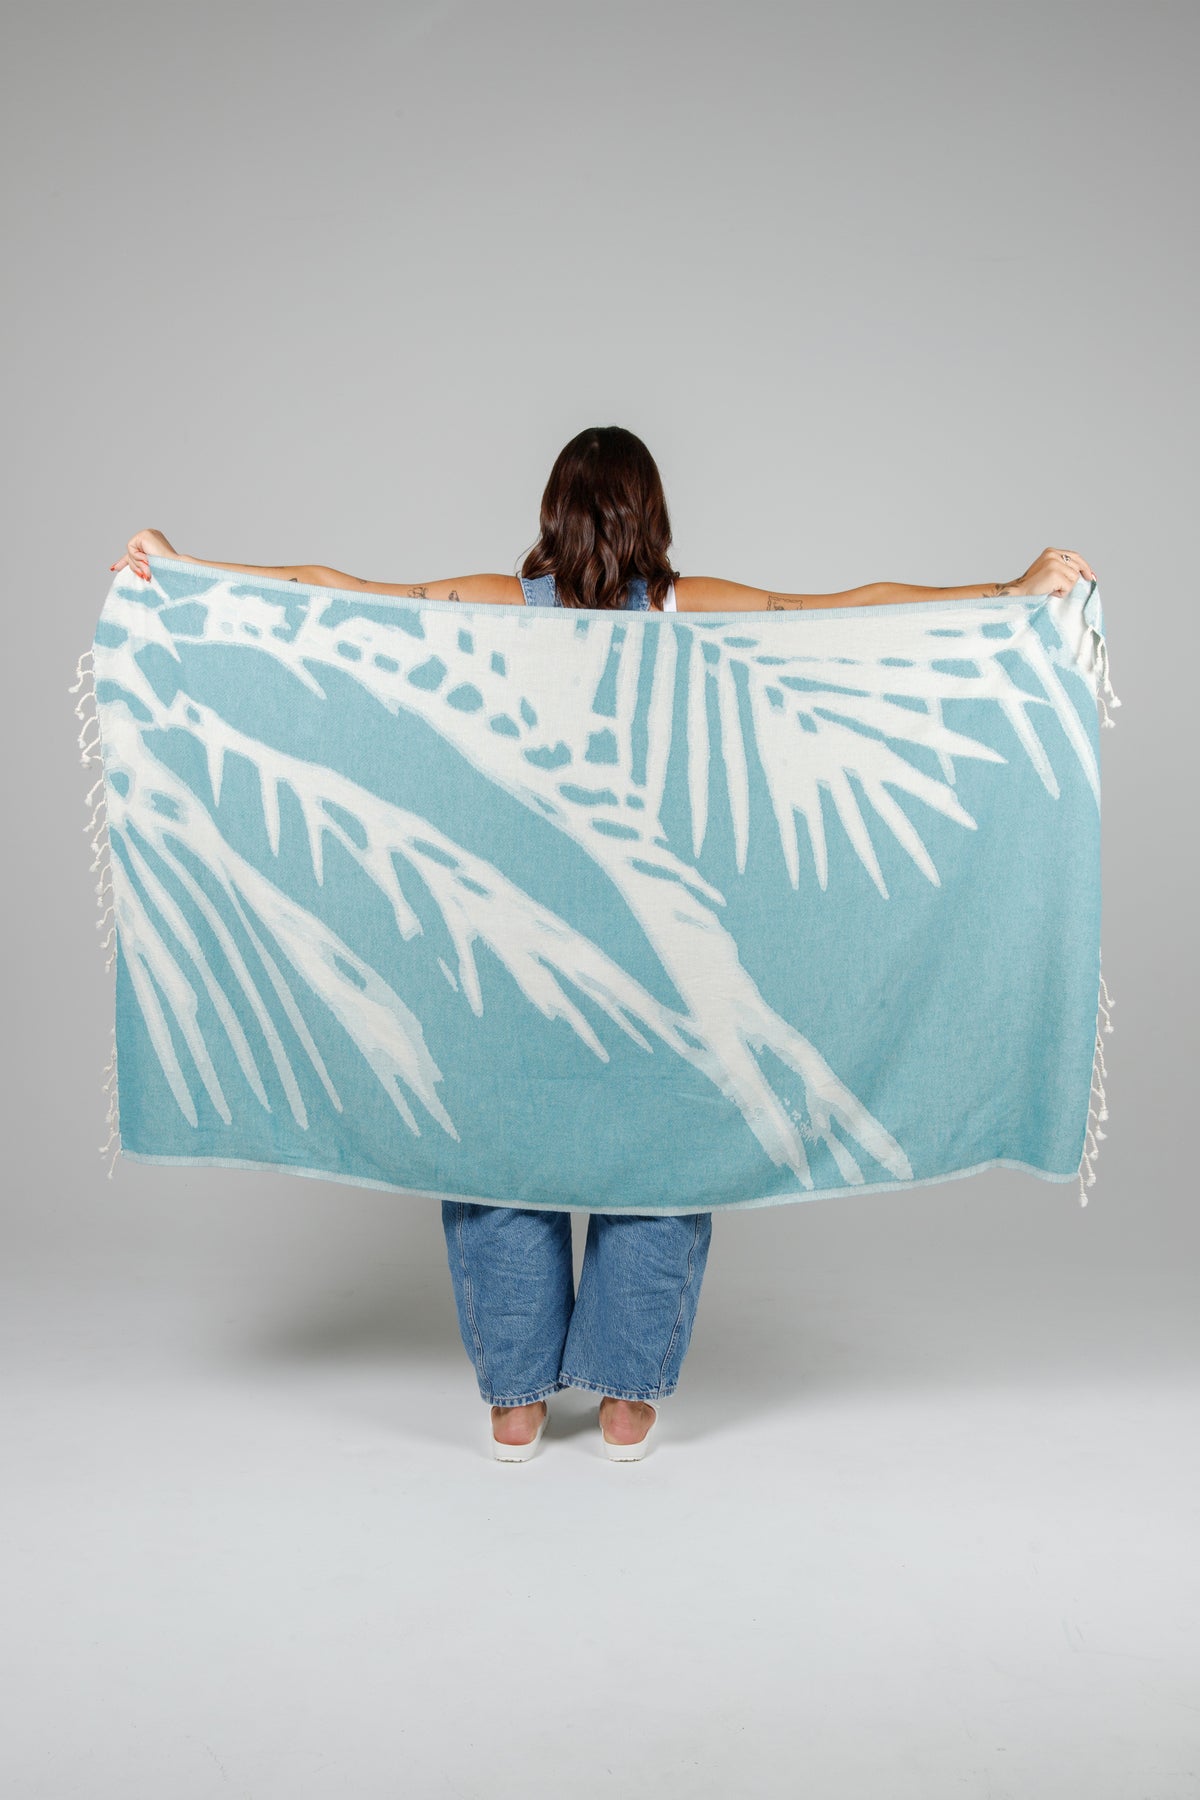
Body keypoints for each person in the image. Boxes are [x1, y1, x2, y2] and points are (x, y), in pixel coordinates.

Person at [113, 426, 1097, 1462]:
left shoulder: (492, 607)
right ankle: (625, 1407)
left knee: (495, 1151)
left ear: (554, 514)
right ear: (651, 517)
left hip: (515, 963)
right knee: (665, 1156)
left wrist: (181, 567)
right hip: (656, 972)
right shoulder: (685, 610)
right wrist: (1012, 588)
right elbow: (852, 609)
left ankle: (517, 1406)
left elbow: (334, 589)